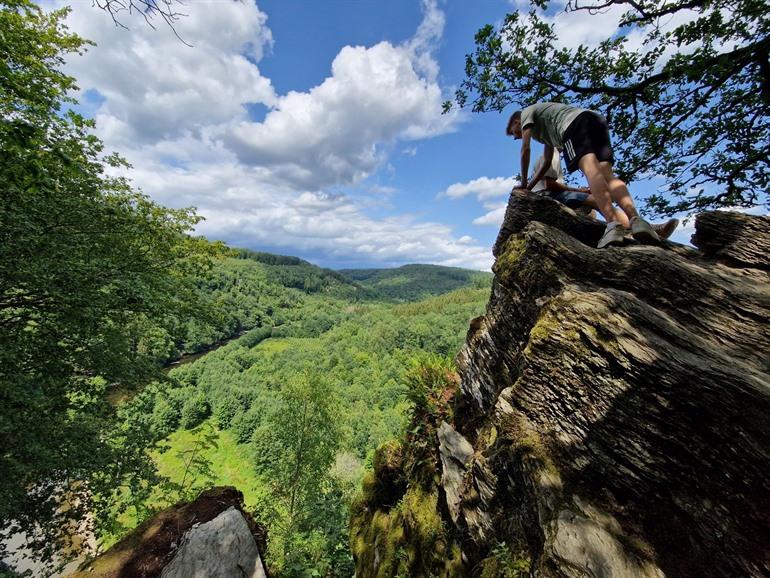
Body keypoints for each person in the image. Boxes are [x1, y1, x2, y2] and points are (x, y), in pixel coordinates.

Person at [506, 102, 666, 248]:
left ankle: (613, 225)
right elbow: (547, 163)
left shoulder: (526, 112)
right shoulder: (546, 132)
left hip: (574, 126)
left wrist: (523, 183)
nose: (515, 137)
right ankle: (637, 220)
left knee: (591, 170)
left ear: (517, 122)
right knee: (607, 174)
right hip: (595, 120)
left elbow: (525, 148)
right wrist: (528, 187)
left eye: (512, 132)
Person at [530, 149, 679, 240]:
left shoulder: (551, 156)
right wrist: (580, 191)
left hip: (548, 194)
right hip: (546, 195)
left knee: (591, 212)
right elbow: (550, 184)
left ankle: (628, 228)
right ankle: (641, 227)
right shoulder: (552, 155)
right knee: (598, 200)